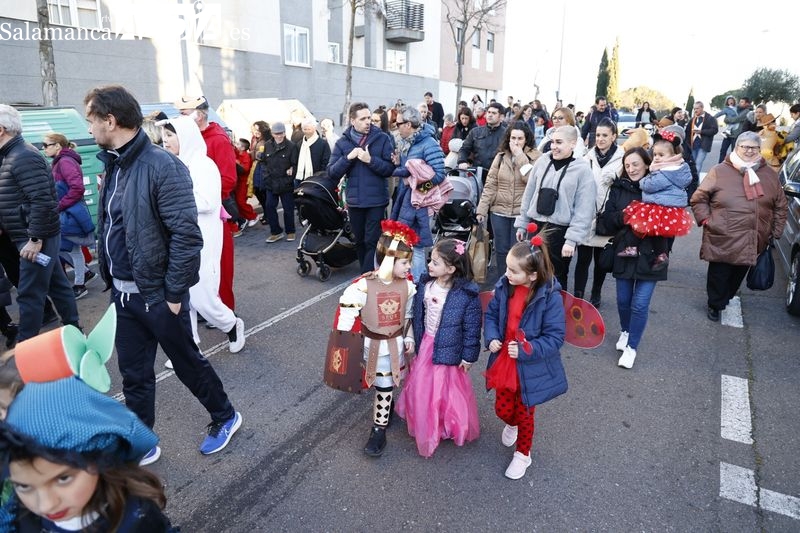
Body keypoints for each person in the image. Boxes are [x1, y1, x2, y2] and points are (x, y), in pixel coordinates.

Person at [84, 85, 241, 461]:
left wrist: (172, 297)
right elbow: (113, 226)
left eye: (91, 120)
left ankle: (226, 416)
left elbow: (187, 237)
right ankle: (143, 441)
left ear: (111, 120)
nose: (88, 128)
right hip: (123, 294)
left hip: (157, 296)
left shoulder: (162, 166)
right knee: (135, 374)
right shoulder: (114, 162)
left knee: (188, 363)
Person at [0, 376, 178, 532]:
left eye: (63, 479)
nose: (46, 505)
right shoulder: (17, 513)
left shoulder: (137, 515)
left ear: (101, 458)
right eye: (24, 486)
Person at [159, 115, 245, 355]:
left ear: (185, 136)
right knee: (181, 294)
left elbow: (207, 202)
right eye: (164, 136)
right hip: (179, 237)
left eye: (170, 135)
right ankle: (190, 345)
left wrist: (168, 201)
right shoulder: (175, 164)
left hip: (204, 237)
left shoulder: (203, 165)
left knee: (202, 295)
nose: (165, 141)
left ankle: (231, 324)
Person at [483, 234, 567, 480]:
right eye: (507, 267)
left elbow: (555, 337)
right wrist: (491, 338)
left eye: (513, 270)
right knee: (502, 409)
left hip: (531, 366)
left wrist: (527, 349)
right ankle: (511, 423)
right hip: (505, 360)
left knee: (526, 412)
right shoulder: (504, 286)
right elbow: (491, 315)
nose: (506, 273)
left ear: (532, 275)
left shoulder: (549, 296)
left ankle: (523, 454)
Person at [334, 220, 417, 456]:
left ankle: (378, 431)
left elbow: (408, 315)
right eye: (404, 262)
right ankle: (385, 411)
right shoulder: (362, 287)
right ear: (390, 260)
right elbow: (347, 315)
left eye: (409, 261)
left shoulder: (409, 287)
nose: (409, 266)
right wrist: (344, 346)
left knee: (384, 386)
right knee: (380, 383)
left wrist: (409, 336)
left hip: (395, 345)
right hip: (371, 345)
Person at [0, 105, 80, 343]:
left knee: (29, 294)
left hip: (33, 236)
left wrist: (35, 240)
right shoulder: (12, 155)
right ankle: (75, 334)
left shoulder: (23, 156)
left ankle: (25, 351)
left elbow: (43, 201)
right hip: (30, 234)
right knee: (57, 285)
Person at [396, 238, 481, 457]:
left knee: (446, 390)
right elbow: (416, 314)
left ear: (451, 269)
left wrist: (469, 355)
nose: (429, 265)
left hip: (450, 349)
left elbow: (472, 328)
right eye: (430, 260)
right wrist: (411, 337)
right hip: (427, 343)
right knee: (424, 386)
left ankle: (446, 424)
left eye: (435, 262)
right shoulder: (424, 285)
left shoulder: (466, 295)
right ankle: (428, 423)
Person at [690, 131, 788, 322]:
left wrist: (775, 231)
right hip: (722, 233)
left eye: (754, 147)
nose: (750, 151)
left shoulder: (769, 174)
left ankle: (725, 297)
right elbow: (698, 199)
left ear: (760, 150)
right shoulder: (719, 171)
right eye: (745, 147)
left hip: (754, 235)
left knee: (738, 273)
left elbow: (780, 205)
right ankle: (715, 304)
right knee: (720, 273)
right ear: (737, 148)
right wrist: (707, 220)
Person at [596, 147, 669, 369]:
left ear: (647, 164)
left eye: (636, 164)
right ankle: (625, 331)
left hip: (653, 254)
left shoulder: (662, 188)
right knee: (623, 301)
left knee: (639, 304)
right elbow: (605, 221)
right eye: (627, 165)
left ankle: (632, 348)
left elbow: (671, 222)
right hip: (624, 252)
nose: (632, 169)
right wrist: (625, 215)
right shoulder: (618, 188)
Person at [175, 95, 238, 312]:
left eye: (183, 113)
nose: (179, 118)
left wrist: (202, 198)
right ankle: (205, 307)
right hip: (193, 213)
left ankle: (224, 310)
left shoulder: (217, 139)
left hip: (213, 212)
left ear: (199, 115)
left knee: (218, 263)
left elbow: (228, 179)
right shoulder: (188, 138)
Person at [514, 126, 596, 291]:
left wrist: (572, 240)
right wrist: (522, 223)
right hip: (536, 226)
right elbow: (529, 193)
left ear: (573, 144)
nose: (553, 146)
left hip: (560, 231)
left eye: (559, 142)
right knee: (533, 273)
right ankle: (534, 313)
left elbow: (584, 208)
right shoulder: (542, 161)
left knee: (556, 276)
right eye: (552, 142)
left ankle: (555, 314)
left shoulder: (582, 170)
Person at [327, 102, 396, 273]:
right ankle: (367, 273)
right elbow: (332, 173)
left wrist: (370, 160)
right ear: (352, 121)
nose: (368, 122)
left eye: (369, 118)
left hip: (376, 200)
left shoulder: (382, 138)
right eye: (363, 118)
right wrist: (348, 158)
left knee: (371, 240)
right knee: (359, 240)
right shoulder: (343, 143)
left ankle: (365, 277)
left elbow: (390, 169)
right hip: (355, 200)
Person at [620, 129, 693, 269]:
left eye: (661, 155)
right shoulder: (678, 168)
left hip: (660, 205)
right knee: (658, 233)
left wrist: (643, 181)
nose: (657, 158)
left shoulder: (666, 171)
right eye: (655, 154)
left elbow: (650, 185)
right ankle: (660, 255)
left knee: (639, 224)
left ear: (673, 155)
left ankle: (636, 249)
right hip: (668, 206)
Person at [476, 122, 541, 278]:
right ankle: (502, 283)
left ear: (527, 139)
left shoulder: (535, 157)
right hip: (499, 211)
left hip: (521, 212)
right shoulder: (500, 157)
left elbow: (531, 179)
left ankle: (520, 284)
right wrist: (482, 209)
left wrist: (519, 156)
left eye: (520, 138)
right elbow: (491, 184)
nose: (516, 142)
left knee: (519, 251)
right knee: (501, 250)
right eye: (513, 138)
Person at [390, 107, 446, 281]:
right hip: (408, 198)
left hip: (421, 202)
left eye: (398, 123)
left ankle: (418, 286)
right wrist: (399, 165)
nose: (396, 126)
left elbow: (439, 174)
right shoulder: (409, 142)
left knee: (418, 246)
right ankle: (411, 283)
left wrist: (419, 190)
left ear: (408, 124)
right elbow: (411, 171)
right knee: (407, 243)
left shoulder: (428, 143)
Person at [42, 132, 98, 299]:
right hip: (68, 212)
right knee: (63, 247)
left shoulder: (65, 162)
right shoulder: (60, 161)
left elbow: (77, 188)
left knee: (71, 249)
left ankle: (80, 285)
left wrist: (60, 205)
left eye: (46, 145)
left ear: (57, 146)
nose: (43, 148)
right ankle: (86, 273)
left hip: (70, 213)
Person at [576, 118, 623, 306]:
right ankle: (578, 295)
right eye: (598, 135)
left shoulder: (623, 158)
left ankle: (596, 293)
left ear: (613, 136)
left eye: (605, 135)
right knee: (582, 260)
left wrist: (617, 178)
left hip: (607, 216)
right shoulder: (587, 158)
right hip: (587, 214)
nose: (601, 139)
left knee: (601, 261)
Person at [261, 121, 298, 243]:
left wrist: (289, 178)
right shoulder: (267, 145)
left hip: (285, 183)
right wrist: (266, 177)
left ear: (284, 133)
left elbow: (294, 165)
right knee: (269, 206)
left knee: (288, 208)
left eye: (281, 133)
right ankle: (276, 232)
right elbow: (264, 162)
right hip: (271, 182)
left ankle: (290, 231)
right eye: (276, 133)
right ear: (272, 133)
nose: (279, 136)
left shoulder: (291, 146)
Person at [458, 102, 508, 180]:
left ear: (501, 117)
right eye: (489, 112)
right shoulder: (475, 132)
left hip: (498, 177)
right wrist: (462, 161)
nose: (490, 115)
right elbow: (464, 149)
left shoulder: (507, 135)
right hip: (477, 174)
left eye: (494, 113)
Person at [294, 117, 331, 187]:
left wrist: (320, 176)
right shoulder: (299, 144)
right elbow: (295, 161)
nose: (307, 131)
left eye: (309, 129)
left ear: (314, 128)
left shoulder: (323, 144)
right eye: (305, 129)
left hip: (317, 180)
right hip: (300, 179)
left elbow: (326, 162)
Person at [718, 97, 755, 163]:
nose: (739, 103)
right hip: (728, 134)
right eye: (740, 102)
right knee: (722, 151)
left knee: (734, 153)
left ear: (747, 104)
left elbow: (736, 119)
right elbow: (727, 117)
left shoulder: (747, 111)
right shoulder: (736, 109)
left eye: (742, 102)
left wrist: (727, 119)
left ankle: (733, 169)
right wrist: (727, 119)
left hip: (736, 135)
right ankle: (720, 167)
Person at [685, 101, 718, 173]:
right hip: (692, 145)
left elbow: (715, 130)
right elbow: (687, 132)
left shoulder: (710, 118)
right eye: (694, 109)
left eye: (697, 108)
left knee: (698, 164)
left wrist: (701, 131)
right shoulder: (693, 119)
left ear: (702, 108)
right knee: (692, 164)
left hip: (703, 145)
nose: (695, 110)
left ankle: (696, 182)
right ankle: (696, 182)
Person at [233, 137, 258, 232]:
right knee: (237, 201)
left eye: (238, 144)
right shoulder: (238, 153)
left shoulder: (245, 156)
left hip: (244, 182)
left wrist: (237, 163)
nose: (236, 145)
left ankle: (253, 216)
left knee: (241, 201)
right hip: (238, 182)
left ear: (243, 148)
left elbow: (245, 169)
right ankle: (245, 217)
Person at [250, 120, 271, 225]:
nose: (255, 131)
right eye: (254, 129)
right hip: (255, 167)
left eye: (257, 129)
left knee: (264, 192)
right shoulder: (254, 139)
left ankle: (268, 214)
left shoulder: (268, 140)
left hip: (263, 168)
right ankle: (266, 212)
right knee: (257, 191)